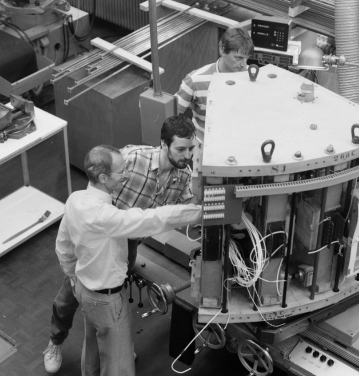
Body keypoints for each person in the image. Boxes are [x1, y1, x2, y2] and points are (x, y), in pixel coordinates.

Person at [43, 115, 197, 373]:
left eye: (191, 149)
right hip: (104, 233)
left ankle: (114, 345)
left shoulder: (183, 176)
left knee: (103, 306)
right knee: (68, 301)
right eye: (181, 149)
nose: (187, 155)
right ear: (163, 144)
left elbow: (182, 206)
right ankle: (56, 341)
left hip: (129, 242)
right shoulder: (131, 158)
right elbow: (103, 180)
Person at [174, 27, 254, 196]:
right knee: (207, 196)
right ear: (222, 50)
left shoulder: (249, 78)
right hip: (206, 152)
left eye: (246, 59)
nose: (243, 65)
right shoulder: (196, 80)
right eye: (238, 57)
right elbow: (173, 117)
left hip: (240, 149)